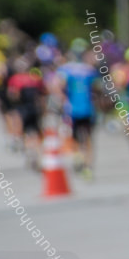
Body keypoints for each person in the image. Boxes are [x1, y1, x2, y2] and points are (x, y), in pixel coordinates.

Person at [55, 42, 100, 179]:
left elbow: (57, 86)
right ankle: (87, 166)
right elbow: (97, 88)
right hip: (88, 109)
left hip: (73, 109)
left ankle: (78, 157)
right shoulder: (90, 70)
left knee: (74, 137)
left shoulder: (65, 69)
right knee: (88, 138)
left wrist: (63, 100)